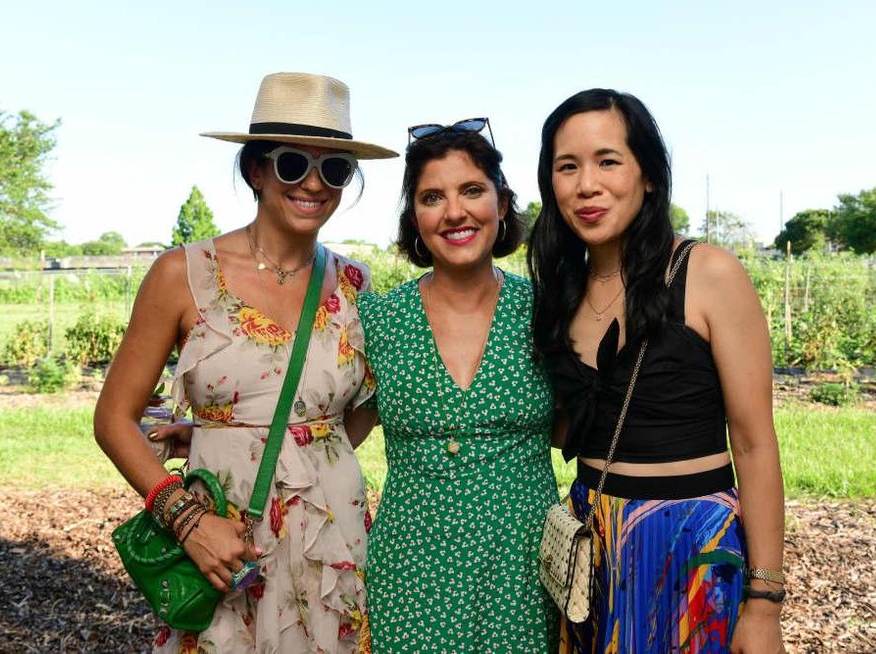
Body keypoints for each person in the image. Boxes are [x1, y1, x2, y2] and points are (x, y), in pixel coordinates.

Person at [94, 72, 397, 653]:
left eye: (334, 169)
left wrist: (276, 443)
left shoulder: (355, 284)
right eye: (291, 165)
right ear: (255, 169)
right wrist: (188, 521)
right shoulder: (183, 275)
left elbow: (356, 416)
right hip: (220, 544)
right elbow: (114, 418)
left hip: (332, 543)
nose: (313, 183)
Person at [528, 89, 786, 653]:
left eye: (608, 161)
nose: (586, 184)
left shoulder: (706, 273)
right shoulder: (560, 292)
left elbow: (755, 442)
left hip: (690, 542)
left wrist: (765, 605)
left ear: (648, 175)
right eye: (566, 167)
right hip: (590, 544)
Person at [356, 120, 560, 652]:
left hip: (523, 578)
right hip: (411, 581)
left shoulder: (549, 312)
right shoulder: (377, 319)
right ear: (414, 217)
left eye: (472, 190)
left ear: (501, 202)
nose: (454, 212)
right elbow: (329, 428)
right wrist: (228, 434)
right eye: (431, 197)